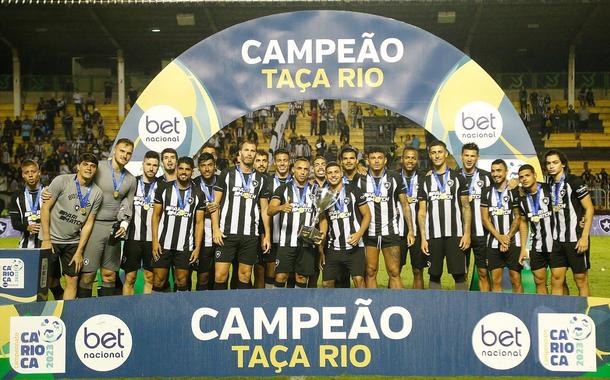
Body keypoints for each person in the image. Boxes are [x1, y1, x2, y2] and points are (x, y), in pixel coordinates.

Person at [77, 138, 137, 297]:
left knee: (109, 275)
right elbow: (78, 181)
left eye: (128, 153)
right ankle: (84, 312)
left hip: (113, 230)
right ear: (114, 150)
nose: (125, 155)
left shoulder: (131, 179)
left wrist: (124, 225)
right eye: (122, 151)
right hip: (93, 226)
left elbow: (128, 205)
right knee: (88, 275)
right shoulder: (99, 167)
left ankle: (106, 316)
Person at [40, 153, 103, 300]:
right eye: (85, 164)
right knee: (44, 281)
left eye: (93, 166)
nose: (89, 168)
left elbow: (89, 223)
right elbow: (45, 208)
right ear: (78, 166)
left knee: (73, 279)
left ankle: (67, 315)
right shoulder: (62, 181)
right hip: (51, 239)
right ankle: (40, 315)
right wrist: (46, 239)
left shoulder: (97, 193)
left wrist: (80, 251)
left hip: (73, 242)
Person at [212, 140, 271, 290]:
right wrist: (216, 229)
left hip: (250, 235)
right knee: (220, 275)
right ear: (239, 154)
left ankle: (239, 309)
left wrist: (267, 235)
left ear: (255, 154)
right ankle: (221, 310)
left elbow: (264, 210)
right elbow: (215, 205)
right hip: (226, 234)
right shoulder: (226, 174)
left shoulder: (262, 179)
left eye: (252, 151)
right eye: (246, 150)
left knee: (245, 275)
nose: (249, 153)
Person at [354, 147, 414, 289]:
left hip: (390, 231)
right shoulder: (359, 179)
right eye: (373, 158)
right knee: (370, 271)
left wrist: (410, 230)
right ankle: (372, 306)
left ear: (385, 160)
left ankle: (400, 306)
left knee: (394, 272)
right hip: (369, 233)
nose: (376, 161)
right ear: (368, 161)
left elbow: (405, 204)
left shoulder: (395, 178)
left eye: (379, 157)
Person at [417, 140, 471, 290]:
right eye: (433, 153)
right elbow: (422, 212)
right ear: (429, 155)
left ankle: (462, 307)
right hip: (433, 235)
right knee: (434, 274)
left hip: (456, 234)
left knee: (459, 274)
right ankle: (435, 309)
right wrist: (423, 238)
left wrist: (466, 234)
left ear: (446, 154)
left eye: (440, 152)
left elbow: (466, 207)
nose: (437, 156)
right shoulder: (425, 181)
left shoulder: (458, 178)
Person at [9, 160, 63, 300]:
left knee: (53, 283)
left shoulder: (48, 192)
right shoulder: (16, 196)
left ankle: (66, 310)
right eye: (27, 173)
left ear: (39, 173)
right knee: (30, 283)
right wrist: (27, 227)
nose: (31, 175)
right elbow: (15, 223)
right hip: (27, 247)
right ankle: (34, 313)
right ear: (23, 175)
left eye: (33, 171)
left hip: (49, 245)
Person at [544, 149, 594, 296]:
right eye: (548, 163)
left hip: (576, 239)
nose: (551, 166)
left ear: (563, 164)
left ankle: (586, 315)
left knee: (580, 279)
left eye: (555, 162)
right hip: (557, 241)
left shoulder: (574, 181)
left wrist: (584, 237)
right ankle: (559, 314)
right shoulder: (548, 183)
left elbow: (589, 209)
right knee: (556, 278)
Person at [151, 157, 204, 292]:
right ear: (176, 169)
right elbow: (155, 216)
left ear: (192, 171)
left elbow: (199, 223)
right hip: (163, 244)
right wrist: (155, 242)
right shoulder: (164, 188)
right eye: (181, 168)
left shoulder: (198, 193)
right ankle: (156, 312)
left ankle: (179, 312)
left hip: (185, 246)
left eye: (187, 169)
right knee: (158, 280)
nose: (184, 172)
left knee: (181, 281)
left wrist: (197, 248)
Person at [318, 162, 371, 288]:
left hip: (354, 247)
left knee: (359, 280)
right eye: (329, 173)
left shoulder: (354, 190)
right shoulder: (324, 195)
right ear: (326, 175)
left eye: (336, 172)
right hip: (334, 248)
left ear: (341, 173)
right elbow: (323, 219)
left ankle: (363, 307)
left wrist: (359, 234)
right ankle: (330, 307)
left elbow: (367, 215)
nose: (333, 175)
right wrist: (323, 234)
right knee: (327, 283)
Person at [268, 157, 317, 288]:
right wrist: (281, 207)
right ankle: (276, 305)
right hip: (286, 242)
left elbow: (322, 217)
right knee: (281, 276)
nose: (302, 172)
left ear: (309, 172)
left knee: (301, 277)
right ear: (293, 170)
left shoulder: (316, 191)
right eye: (299, 168)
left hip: (307, 243)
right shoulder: (282, 189)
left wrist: (321, 233)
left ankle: (297, 306)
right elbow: (269, 210)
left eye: (306, 169)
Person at [480, 159, 524, 293]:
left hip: (513, 241)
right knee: (496, 280)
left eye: (499, 170)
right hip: (493, 242)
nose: (495, 174)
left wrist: (508, 237)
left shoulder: (513, 190)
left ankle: (519, 309)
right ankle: (497, 311)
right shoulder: (486, 191)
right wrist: (500, 238)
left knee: (515, 278)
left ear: (506, 172)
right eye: (493, 171)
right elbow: (485, 219)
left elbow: (518, 217)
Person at [122, 151, 160, 295]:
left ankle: (146, 311)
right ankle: (127, 310)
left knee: (150, 277)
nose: (151, 168)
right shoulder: (132, 182)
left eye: (155, 165)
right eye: (148, 164)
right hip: (133, 238)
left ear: (158, 167)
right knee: (130, 278)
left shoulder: (161, 185)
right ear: (143, 164)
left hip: (152, 240)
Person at [459, 143, 492, 291]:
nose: (469, 159)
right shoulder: (453, 176)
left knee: (483, 272)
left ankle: (487, 306)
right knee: (461, 273)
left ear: (477, 157)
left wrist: (513, 182)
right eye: (466, 155)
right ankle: (463, 307)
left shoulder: (487, 177)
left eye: (472, 156)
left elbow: (502, 189)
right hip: (460, 233)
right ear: (461, 156)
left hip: (482, 234)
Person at [517, 164, 554, 294]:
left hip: (555, 245)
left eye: (527, 175)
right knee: (539, 281)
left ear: (535, 175)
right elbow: (523, 223)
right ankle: (544, 309)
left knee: (558, 280)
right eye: (521, 177)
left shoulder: (549, 190)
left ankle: (561, 311)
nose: (524, 179)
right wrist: (523, 249)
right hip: (537, 245)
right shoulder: (521, 198)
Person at [397, 147, 426, 289]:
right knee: (395, 271)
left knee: (418, 270)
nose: (410, 160)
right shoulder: (393, 177)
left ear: (417, 160)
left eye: (413, 158)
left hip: (419, 231)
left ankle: (419, 303)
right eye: (407, 157)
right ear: (402, 159)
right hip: (398, 232)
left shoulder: (425, 178)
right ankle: (394, 301)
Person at [192, 153, 219, 291]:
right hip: (203, 237)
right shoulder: (194, 184)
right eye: (203, 166)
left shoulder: (223, 182)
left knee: (220, 275)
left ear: (215, 166)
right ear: (199, 168)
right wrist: (205, 211)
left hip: (221, 236)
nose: (207, 169)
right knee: (203, 276)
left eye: (209, 165)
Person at [253, 149, 271, 289]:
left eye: (264, 161)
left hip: (271, 230)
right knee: (258, 270)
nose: (261, 164)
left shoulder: (272, 181)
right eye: (258, 160)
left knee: (271, 272)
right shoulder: (248, 180)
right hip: (254, 231)